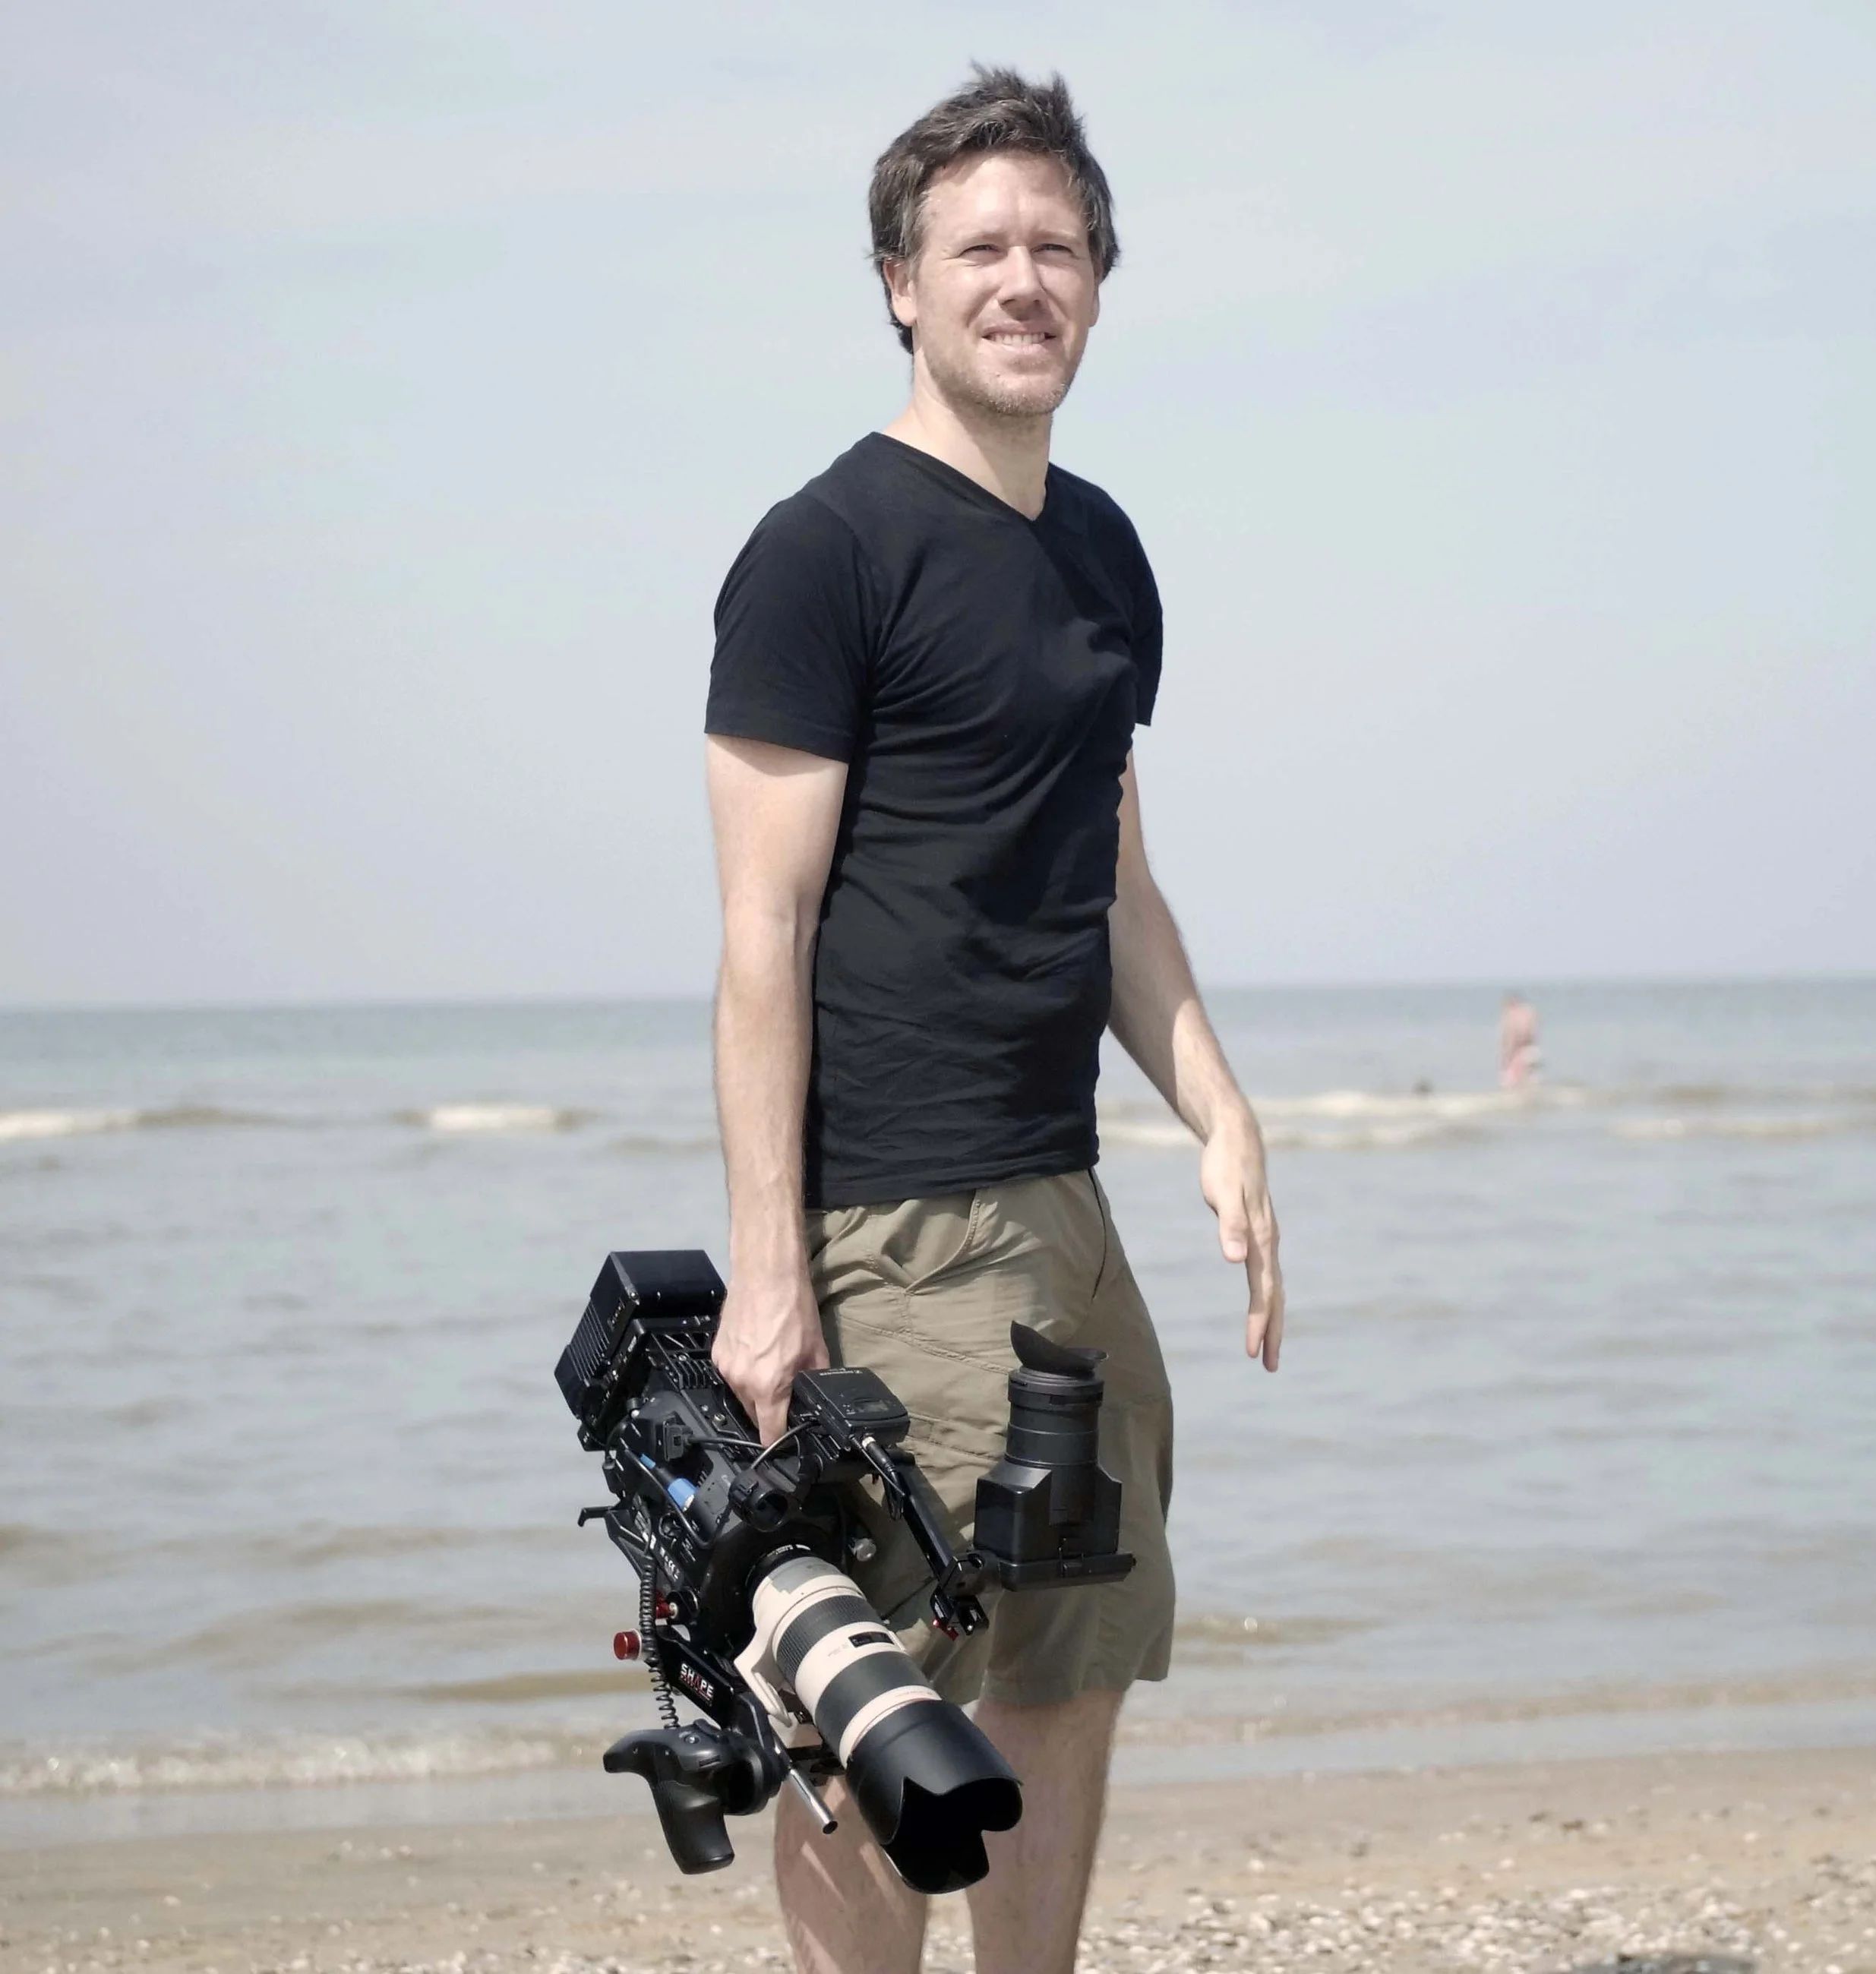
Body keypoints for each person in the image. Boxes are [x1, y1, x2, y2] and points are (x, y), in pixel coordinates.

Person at [701, 68, 1284, 1974]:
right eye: (979, 248)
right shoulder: (825, 552)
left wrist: (1217, 1107)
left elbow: (1110, 880)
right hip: (894, 1219)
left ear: (1101, 283)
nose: (1020, 278)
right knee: (880, 1698)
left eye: (1057, 247)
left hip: (1061, 1206)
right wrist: (770, 1275)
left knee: (1076, 1658)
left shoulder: (1101, 551)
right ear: (898, 283)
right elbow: (762, 932)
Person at [1499, 993, 1542, 1089]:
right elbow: (1532, 1032)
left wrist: (1508, 1056)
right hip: (1532, 1049)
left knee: (1510, 1082)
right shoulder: (1530, 1012)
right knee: (1532, 1080)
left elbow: (1512, 1037)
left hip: (1518, 1052)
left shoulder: (1512, 1016)